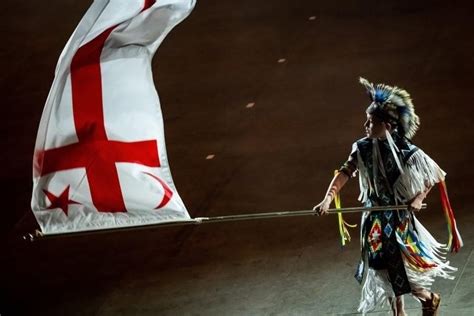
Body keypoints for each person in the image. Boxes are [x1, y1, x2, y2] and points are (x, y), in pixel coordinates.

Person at [313, 78, 462, 316]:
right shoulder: (361, 148)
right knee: (380, 266)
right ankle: (398, 313)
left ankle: (428, 298)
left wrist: (418, 198)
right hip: (373, 217)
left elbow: (434, 175)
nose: (365, 125)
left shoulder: (407, 151)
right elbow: (344, 172)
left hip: (398, 218)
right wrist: (328, 198)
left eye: (371, 122)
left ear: (389, 126)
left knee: (399, 267)